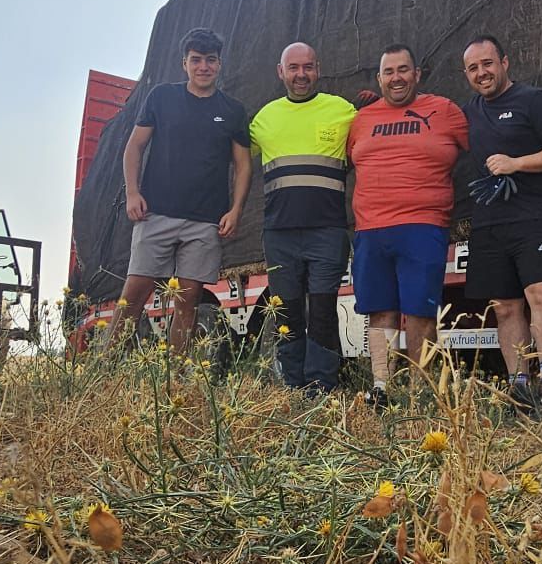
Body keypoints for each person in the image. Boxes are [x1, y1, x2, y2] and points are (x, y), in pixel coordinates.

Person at [112, 28, 252, 352]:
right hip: (156, 213)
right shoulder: (161, 97)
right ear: (184, 63)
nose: (204, 67)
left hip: (205, 220)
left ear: (219, 64)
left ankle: (176, 379)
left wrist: (237, 210)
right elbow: (134, 147)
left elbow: (243, 165)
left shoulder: (232, 110)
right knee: (133, 295)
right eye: (196, 60)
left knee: (188, 302)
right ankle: (102, 374)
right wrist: (133, 193)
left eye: (211, 60)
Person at [347, 44, 468, 404]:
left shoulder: (446, 111)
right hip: (370, 229)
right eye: (389, 72)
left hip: (424, 226)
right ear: (379, 78)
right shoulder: (361, 120)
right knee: (380, 309)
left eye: (403, 70)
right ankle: (381, 387)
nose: (396, 78)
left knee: (419, 310)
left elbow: (484, 142)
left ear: (417, 74)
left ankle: (420, 391)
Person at [461, 34, 542, 409]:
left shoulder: (532, 100)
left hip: (532, 216)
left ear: (505, 63)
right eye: (474, 68)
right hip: (488, 224)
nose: (482, 73)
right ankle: (519, 385)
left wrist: (516, 163)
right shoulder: (470, 111)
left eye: (488, 63)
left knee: (540, 294)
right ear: (467, 74)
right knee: (505, 307)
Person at [247, 42, 356, 393]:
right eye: (293, 68)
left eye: (308, 67)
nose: (301, 74)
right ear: (280, 72)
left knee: (323, 309)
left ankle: (321, 387)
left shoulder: (343, 111)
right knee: (288, 311)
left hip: (328, 231)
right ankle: (293, 386)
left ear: (318, 69)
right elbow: (228, 154)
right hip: (279, 233)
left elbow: (373, 134)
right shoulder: (263, 118)